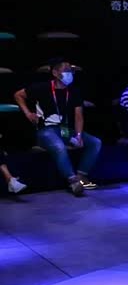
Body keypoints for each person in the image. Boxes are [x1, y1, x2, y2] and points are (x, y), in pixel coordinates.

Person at [13, 58, 102, 196]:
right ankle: (73, 181)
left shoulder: (74, 91)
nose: (69, 73)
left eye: (71, 71)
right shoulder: (42, 87)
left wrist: (79, 135)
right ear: (55, 73)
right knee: (59, 146)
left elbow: (79, 116)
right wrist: (28, 113)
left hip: (66, 130)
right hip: (46, 131)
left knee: (95, 142)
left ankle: (81, 175)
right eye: (66, 70)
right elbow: (18, 95)